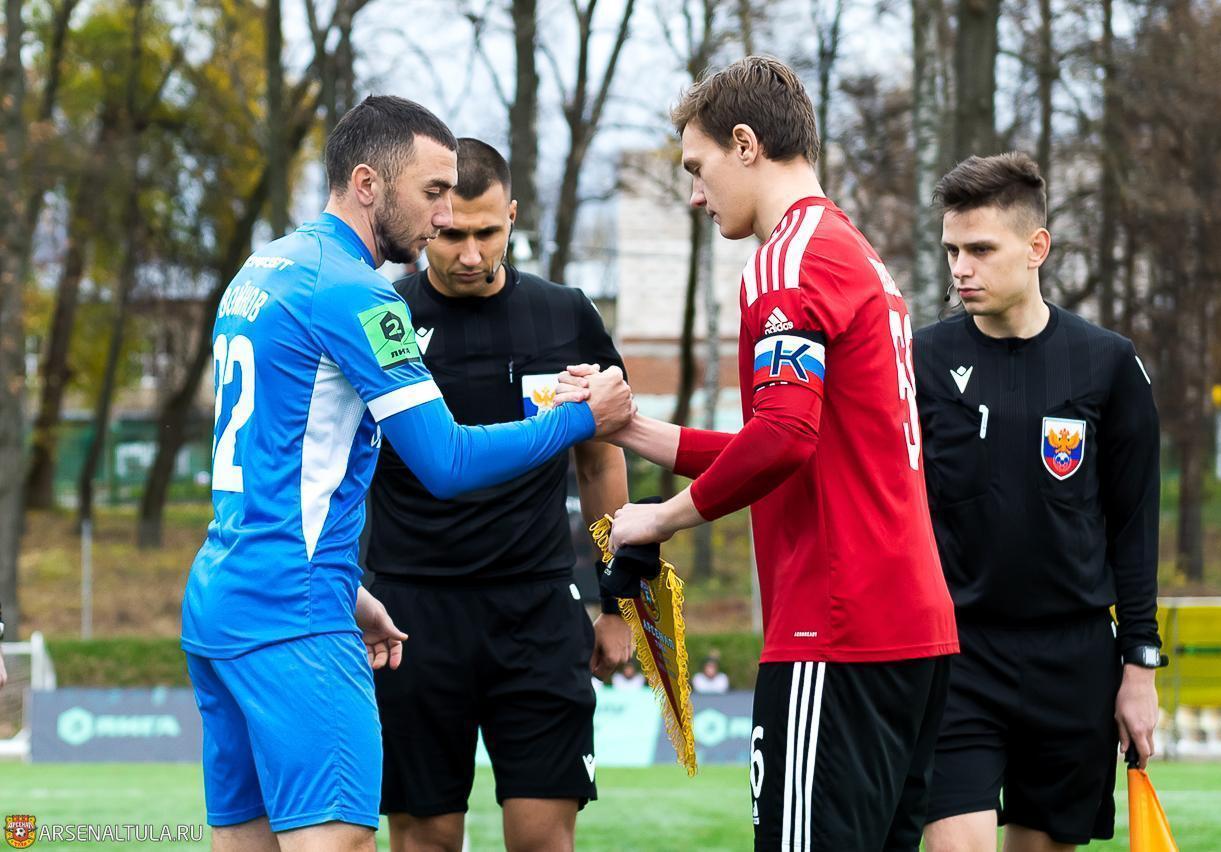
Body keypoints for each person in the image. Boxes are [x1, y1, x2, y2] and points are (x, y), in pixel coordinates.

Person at [180, 97, 633, 852]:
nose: (442, 217)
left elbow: (273, 470)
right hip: (295, 615)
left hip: (224, 602)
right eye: (432, 194)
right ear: (368, 184)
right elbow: (446, 461)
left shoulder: (264, 269)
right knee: (341, 841)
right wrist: (580, 418)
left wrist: (349, 589)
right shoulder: (359, 293)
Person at [558, 56, 958, 851]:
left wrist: (659, 518)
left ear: (746, 144)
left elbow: (783, 437)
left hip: (833, 630)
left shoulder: (786, 262)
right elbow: (794, 438)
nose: (696, 195)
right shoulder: (852, 251)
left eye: (697, 168)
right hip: (909, 629)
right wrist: (631, 428)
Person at [364, 138, 633, 852]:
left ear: (512, 216)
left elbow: (600, 465)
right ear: (429, 221)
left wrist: (619, 603)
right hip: (411, 615)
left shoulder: (566, 315)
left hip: (537, 611)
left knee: (544, 839)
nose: (470, 254)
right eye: (452, 235)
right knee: (426, 838)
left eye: (487, 232)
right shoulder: (381, 319)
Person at [914, 152, 1162, 852]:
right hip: (956, 654)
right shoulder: (919, 362)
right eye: (952, 251)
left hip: (1073, 660)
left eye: (981, 250)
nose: (961, 269)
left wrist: (1139, 668)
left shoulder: (1108, 363)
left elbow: (1135, 526)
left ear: (1036, 248)